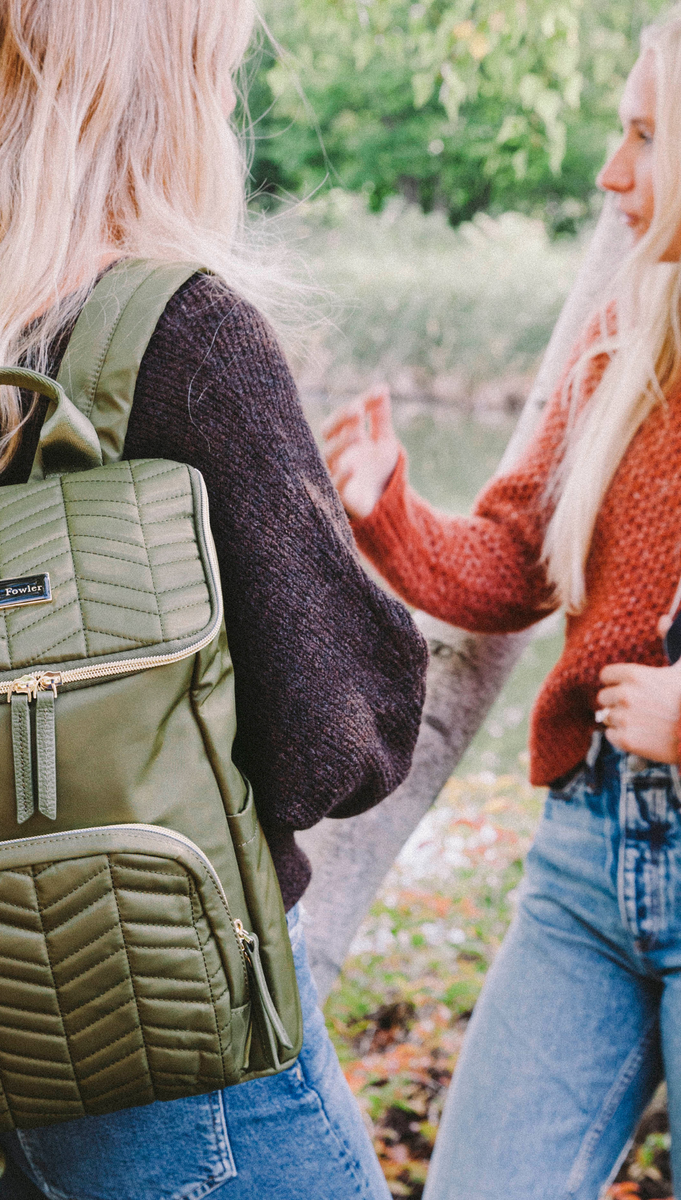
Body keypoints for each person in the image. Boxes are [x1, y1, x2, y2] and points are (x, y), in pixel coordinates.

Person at [0, 2, 427, 1196]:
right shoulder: (185, 333)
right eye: (217, 58)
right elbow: (343, 741)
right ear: (164, 77)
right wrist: (317, 548)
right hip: (178, 1054)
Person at [322, 9, 681, 1197]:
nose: (611, 170)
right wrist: (387, 509)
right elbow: (518, 560)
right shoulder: (621, 342)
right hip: (590, 852)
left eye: (646, 135)